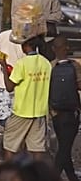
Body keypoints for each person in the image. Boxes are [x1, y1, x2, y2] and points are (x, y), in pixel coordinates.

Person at [0, 36, 52, 160]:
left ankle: (9, 175)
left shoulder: (22, 64)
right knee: (37, 149)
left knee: (10, 146)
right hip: (39, 113)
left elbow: (9, 87)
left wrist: (3, 66)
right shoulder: (46, 63)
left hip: (22, 112)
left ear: (26, 46)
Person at [48, 35, 81, 180]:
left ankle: (71, 176)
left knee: (64, 145)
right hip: (72, 113)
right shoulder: (75, 66)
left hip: (56, 113)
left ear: (54, 49)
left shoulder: (50, 66)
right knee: (64, 147)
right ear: (67, 47)